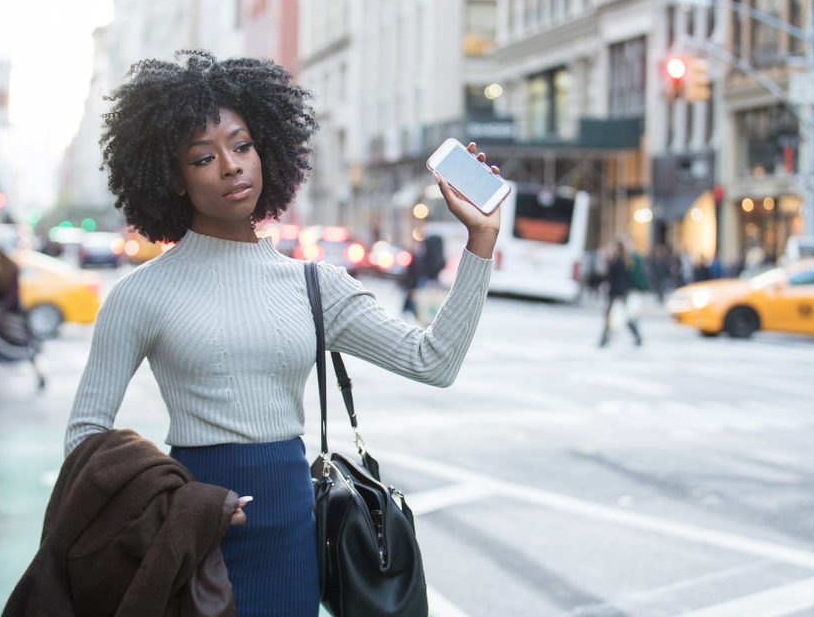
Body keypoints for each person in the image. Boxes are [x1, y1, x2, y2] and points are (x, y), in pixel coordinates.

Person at [62, 51, 500, 615]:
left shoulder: (314, 284)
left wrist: (481, 240)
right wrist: (174, 505)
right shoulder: (140, 294)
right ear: (172, 177)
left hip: (292, 534)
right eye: (203, 157)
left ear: (265, 148)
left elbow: (433, 361)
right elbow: (85, 437)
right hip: (191, 537)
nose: (230, 166)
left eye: (242, 145)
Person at [0, 246, 45, 388]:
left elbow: (13, 295)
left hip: (11, 314)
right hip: (1, 314)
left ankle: (38, 374)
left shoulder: (10, 268)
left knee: (24, 345)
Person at [598, 238, 642, 347]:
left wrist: (619, 294)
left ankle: (604, 340)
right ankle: (604, 340)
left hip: (618, 293)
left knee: (616, 316)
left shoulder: (620, 260)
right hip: (616, 292)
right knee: (618, 316)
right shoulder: (619, 259)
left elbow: (620, 278)